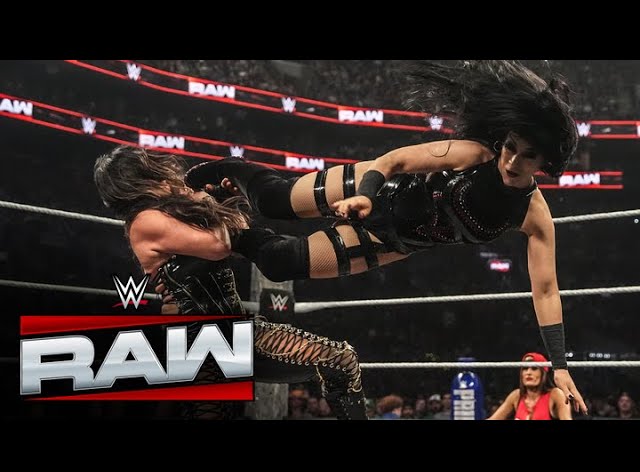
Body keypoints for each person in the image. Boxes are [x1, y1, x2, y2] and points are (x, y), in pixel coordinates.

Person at [184, 60, 587, 415]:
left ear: (545, 162)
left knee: (280, 261)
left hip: (395, 242)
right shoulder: (474, 154)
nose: (512, 161)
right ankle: (229, 170)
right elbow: (394, 161)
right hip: (378, 190)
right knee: (275, 200)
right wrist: (364, 195)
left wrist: (560, 366)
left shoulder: (534, 215)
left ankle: (224, 226)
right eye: (511, 147)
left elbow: (546, 291)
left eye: (527, 155)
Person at [93, 145, 367, 420]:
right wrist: (206, 200)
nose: (167, 175)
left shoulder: (174, 212)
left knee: (340, 360)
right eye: (156, 171)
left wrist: (222, 199)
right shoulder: (144, 220)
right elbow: (219, 245)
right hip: (198, 342)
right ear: (140, 180)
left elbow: (237, 231)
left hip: (238, 330)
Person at [487, 352, 572, 420]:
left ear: (543, 374)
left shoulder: (555, 394)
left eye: (534, 368)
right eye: (525, 369)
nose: (528, 373)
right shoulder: (516, 396)